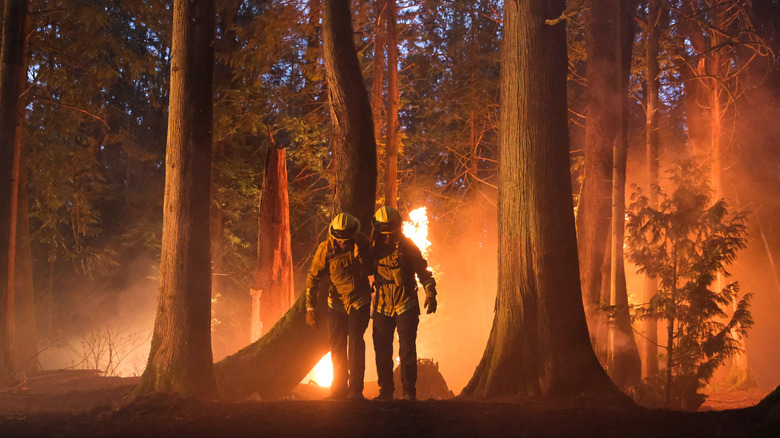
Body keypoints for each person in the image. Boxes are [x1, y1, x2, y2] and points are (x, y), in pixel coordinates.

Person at [370, 206, 437, 401]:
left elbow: (424, 272)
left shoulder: (408, 247)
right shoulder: (372, 247)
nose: (389, 238)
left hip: (405, 303)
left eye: (392, 233)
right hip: (382, 304)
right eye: (385, 234)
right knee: (381, 348)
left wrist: (430, 294)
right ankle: (386, 391)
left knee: (407, 349)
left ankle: (409, 392)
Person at [305, 212, 373, 400]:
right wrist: (310, 308)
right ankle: (338, 390)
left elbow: (373, 270)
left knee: (356, 346)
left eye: (347, 240)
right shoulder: (325, 249)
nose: (344, 243)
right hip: (335, 305)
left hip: (359, 302)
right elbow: (313, 277)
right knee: (337, 348)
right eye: (340, 240)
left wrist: (363, 257)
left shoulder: (364, 244)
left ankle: (355, 391)